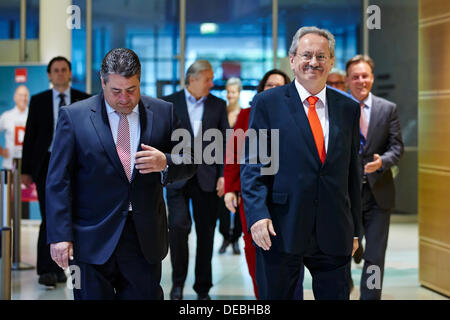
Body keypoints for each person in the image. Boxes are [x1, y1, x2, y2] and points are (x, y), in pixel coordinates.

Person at [45, 48, 196, 300]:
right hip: (90, 240)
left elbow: (190, 160)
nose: (124, 98)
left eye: (131, 89)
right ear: (102, 82)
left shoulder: (163, 112)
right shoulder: (74, 117)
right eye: (116, 91)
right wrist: (60, 236)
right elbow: (58, 181)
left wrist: (165, 162)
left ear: (140, 80)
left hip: (143, 239)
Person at [240, 26, 362, 300]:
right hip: (281, 228)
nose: (314, 62)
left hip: (334, 230)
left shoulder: (348, 108)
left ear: (331, 62)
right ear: (292, 59)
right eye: (306, 55)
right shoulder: (267, 103)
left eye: (322, 56)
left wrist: (356, 229)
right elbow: (254, 165)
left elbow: (352, 173)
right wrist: (257, 214)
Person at [224, 69, 299, 299]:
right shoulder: (247, 114)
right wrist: (230, 188)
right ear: (261, 89)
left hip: (289, 194)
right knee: (255, 248)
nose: (274, 89)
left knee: (290, 251)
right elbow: (235, 154)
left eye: (280, 85)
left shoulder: (298, 113)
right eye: (269, 85)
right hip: (254, 192)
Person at [162, 60, 229, 300]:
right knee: (178, 228)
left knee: (206, 233)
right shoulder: (169, 102)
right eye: (208, 79)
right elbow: (162, 139)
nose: (212, 84)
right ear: (193, 79)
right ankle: (177, 284)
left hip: (207, 177)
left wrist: (223, 175)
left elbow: (225, 143)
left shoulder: (218, 105)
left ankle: (203, 288)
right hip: (177, 179)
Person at [21, 56, 90, 287]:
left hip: (77, 164)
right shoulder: (39, 100)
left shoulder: (84, 99)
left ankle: (72, 270)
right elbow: (30, 136)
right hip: (47, 164)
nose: (60, 74)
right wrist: (26, 170)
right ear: (49, 75)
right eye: (56, 71)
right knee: (50, 215)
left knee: (75, 215)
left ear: (70, 73)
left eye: (64, 70)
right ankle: (47, 270)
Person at [345, 54, 403, 300]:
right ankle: (342, 291)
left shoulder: (387, 109)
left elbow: (397, 147)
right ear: (347, 80)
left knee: (375, 256)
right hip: (346, 195)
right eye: (355, 76)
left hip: (379, 193)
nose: (361, 80)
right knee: (342, 251)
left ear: (372, 78)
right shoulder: (337, 107)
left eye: (365, 76)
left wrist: (383, 162)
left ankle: (370, 297)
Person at [218, 77, 243, 255]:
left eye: (233, 91)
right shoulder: (221, 112)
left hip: (240, 164)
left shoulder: (244, 114)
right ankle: (226, 236)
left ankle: (236, 239)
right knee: (223, 205)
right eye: (228, 91)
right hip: (222, 163)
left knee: (240, 203)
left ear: (239, 93)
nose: (230, 95)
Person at [0, 85, 29, 169]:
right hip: (10, 166)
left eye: (25, 95)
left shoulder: (33, 115)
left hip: (28, 168)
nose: (23, 98)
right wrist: (1, 151)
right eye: (20, 95)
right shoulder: (7, 116)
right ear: (15, 97)